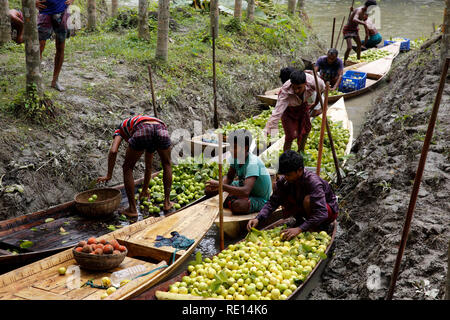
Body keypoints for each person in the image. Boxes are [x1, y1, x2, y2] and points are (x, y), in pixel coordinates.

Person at [247, 150, 338, 240]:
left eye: (289, 175)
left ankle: (314, 227)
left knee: (308, 200)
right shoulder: (286, 181)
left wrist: (300, 229)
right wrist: (258, 218)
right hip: (306, 210)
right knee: (281, 191)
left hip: (327, 212)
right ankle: (302, 222)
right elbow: (273, 202)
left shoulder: (313, 182)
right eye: (284, 174)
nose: (285, 177)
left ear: (300, 170)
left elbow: (322, 213)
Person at [97, 115, 173, 217]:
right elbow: (148, 165)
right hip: (160, 127)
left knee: (127, 168)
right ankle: (167, 203)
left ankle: (132, 209)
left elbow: (113, 151)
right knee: (167, 164)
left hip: (144, 128)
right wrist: (145, 189)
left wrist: (109, 175)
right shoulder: (144, 127)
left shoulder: (120, 129)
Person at [205, 129, 272, 215]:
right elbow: (229, 177)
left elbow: (246, 191)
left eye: (235, 147)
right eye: (231, 147)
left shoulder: (252, 163)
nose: (231, 150)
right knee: (209, 190)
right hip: (242, 185)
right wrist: (218, 186)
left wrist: (221, 186)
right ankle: (230, 199)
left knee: (238, 206)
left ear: (246, 148)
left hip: (258, 197)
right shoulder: (235, 157)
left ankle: (230, 200)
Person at [264, 70, 325, 152]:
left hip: (302, 107)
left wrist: (315, 103)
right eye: (294, 87)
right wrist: (269, 128)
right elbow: (277, 112)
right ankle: (286, 156)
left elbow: (321, 91)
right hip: (288, 111)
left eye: (299, 88)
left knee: (306, 130)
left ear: (305, 84)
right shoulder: (285, 92)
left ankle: (300, 151)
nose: (296, 91)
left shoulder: (316, 82)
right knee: (290, 136)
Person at [36, 0, 75, 91]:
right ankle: (36, 80)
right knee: (39, 47)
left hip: (62, 12)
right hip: (45, 12)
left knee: (60, 47)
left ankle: (55, 80)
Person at [343, 0, 378, 65]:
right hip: (348, 29)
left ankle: (358, 60)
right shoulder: (360, 10)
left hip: (355, 30)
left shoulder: (365, 11)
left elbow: (358, 15)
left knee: (359, 45)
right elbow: (355, 19)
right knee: (349, 47)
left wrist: (352, 11)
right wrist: (363, 24)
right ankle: (344, 63)